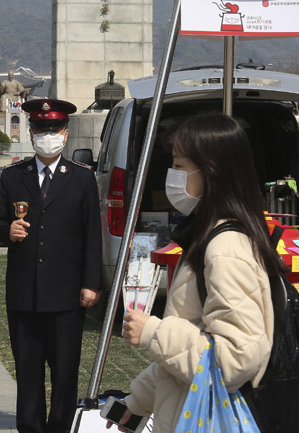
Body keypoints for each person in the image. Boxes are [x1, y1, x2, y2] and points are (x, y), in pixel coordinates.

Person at [111, 114, 279, 433]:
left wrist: (154, 332)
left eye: (179, 165)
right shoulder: (208, 237)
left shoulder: (226, 249)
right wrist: (138, 401)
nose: (172, 176)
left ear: (211, 171)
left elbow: (235, 359)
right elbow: (188, 353)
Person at [0, 99, 102, 432]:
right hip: (24, 291)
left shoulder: (81, 178)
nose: (46, 136)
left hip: (66, 292)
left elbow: (92, 235)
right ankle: (30, 425)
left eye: (53, 129)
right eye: (40, 129)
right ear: (31, 133)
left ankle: (61, 425)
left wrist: (91, 283)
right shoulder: (14, 176)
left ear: (65, 133)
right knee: (28, 368)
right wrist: (7, 231)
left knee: (65, 369)